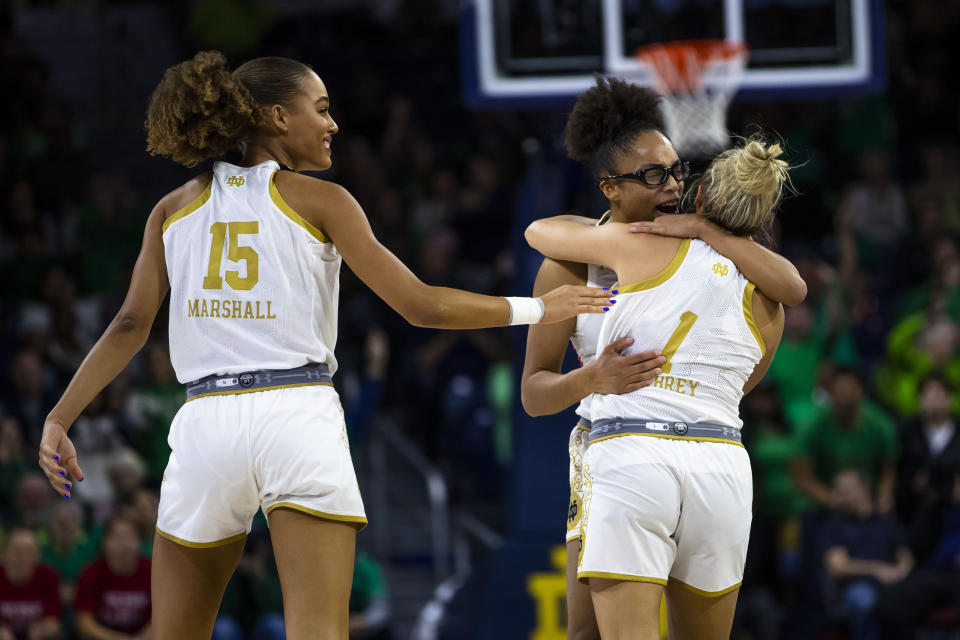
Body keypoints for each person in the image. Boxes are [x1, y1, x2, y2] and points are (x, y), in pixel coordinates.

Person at [36, 50, 613, 640]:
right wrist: (540, 308)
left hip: (205, 420)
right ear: (279, 118)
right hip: (294, 411)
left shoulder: (173, 207)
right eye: (322, 109)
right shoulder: (321, 200)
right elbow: (420, 304)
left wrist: (60, 417)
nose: (334, 124)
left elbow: (130, 326)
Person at [519, 77, 806, 640]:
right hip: (614, 443)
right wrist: (592, 379)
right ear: (611, 188)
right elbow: (533, 393)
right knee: (584, 632)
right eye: (653, 176)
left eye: (677, 170)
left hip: (653, 447)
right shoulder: (569, 263)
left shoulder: (713, 255)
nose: (672, 184)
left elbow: (736, 374)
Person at [74, 517, 152, 639]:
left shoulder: (151, 570)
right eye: (118, 538)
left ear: (139, 541)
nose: (124, 544)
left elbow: (162, 616)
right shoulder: (91, 572)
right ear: (105, 542)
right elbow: (85, 623)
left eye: (129, 537)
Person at [0, 527, 60, 640]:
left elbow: (53, 623)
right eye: (17, 551)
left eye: (30, 551)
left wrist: (43, 629)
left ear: (38, 555)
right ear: (3, 554)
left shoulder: (48, 576)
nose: (23, 558)